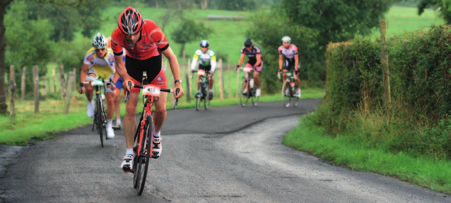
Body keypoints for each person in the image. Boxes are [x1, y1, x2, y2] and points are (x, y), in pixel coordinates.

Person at [111, 6, 184, 173]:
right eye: (127, 34)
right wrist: (127, 79)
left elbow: (171, 56)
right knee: (130, 110)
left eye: (134, 33)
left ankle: (156, 135)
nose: (130, 37)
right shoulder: (116, 36)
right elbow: (119, 65)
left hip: (153, 64)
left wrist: (178, 83)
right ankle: (129, 153)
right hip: (133, 65)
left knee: (161, 108)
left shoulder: (152, 30)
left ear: (141, 26)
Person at [78, 33, 116, 139]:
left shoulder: (112, 55)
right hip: (95, 72)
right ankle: (90, 103)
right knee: (88, 87)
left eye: (102, 49)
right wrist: (82, 85)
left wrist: (113, 82)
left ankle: (109, 126)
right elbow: (84, 70)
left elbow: (119, 70)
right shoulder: (89, 55)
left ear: (106, 47)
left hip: (109, 73)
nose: (100, 52)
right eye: (97, 50)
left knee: (110, 99)